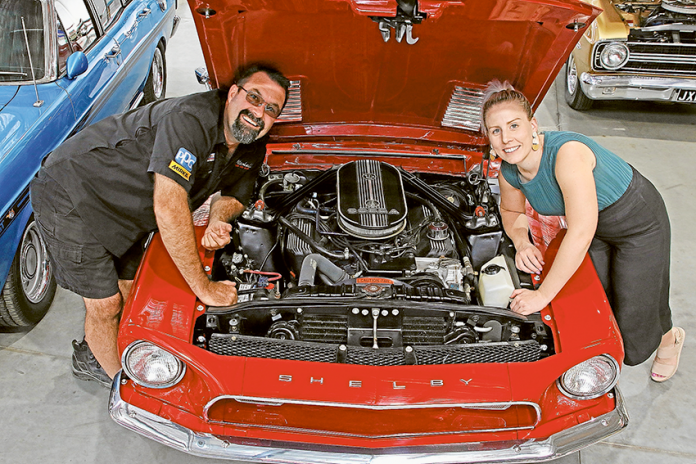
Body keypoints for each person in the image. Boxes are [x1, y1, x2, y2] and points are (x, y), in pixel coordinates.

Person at [30, 63, 290, 387]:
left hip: (128, 208)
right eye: (254, 97)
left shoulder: (250, 143)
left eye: (270, 109)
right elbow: (169, 204)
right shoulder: (191, 119)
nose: (258, 112)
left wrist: (217, 219)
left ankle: (106, 346)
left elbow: (235, 195)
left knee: (131, 289)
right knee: (106, 304)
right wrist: (204, 288)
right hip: (73, 193)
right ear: (234, 92)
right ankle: (118, 382)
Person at [481, 80, 685, 381]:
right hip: (594, 227)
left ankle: (669, 337)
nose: (506, 139)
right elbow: (511, 211)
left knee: (635, 314)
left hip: (637, 223)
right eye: (496, 130)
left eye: (513, 126)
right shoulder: (510, 171)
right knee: (596, 304)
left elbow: (579, 233)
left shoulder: (567, 154)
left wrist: (542, 295)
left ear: (532, 125)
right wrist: (522, 242)